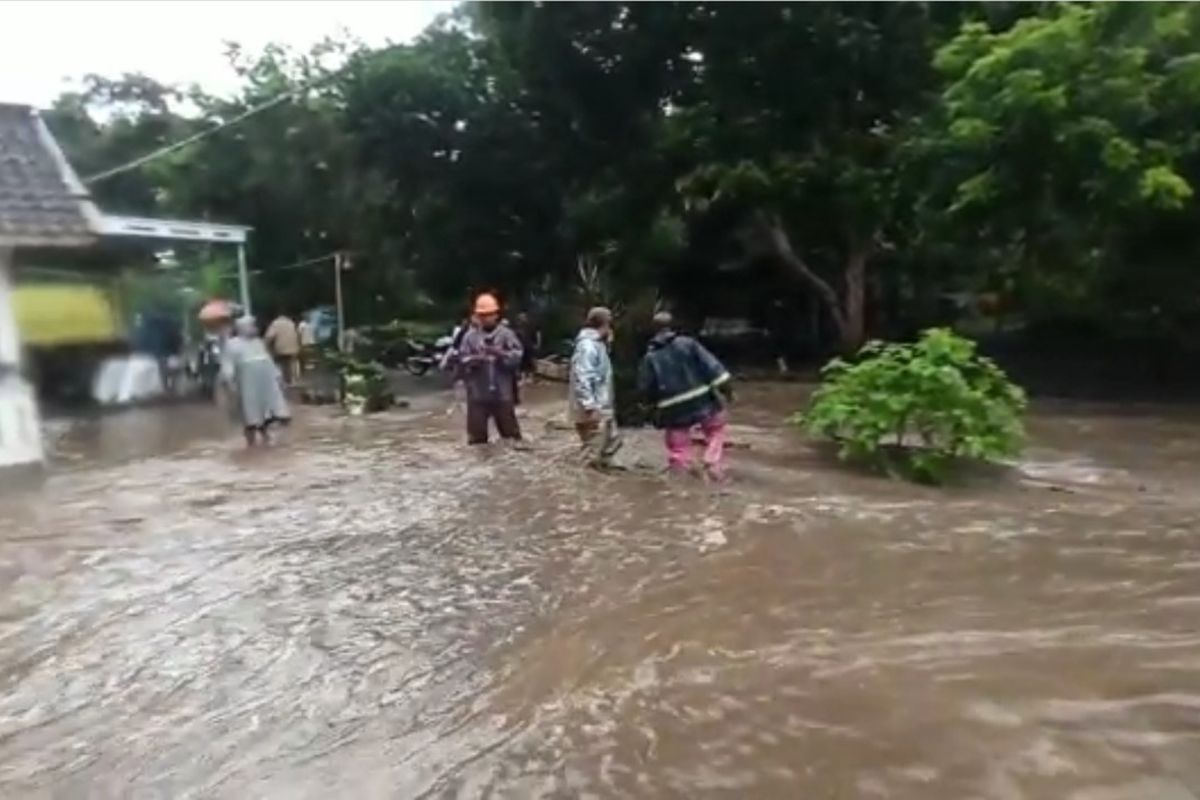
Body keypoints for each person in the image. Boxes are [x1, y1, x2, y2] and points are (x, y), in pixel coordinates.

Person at [638, 311, 734, 481]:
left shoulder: (650, 357)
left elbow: (646, 389)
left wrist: (649, 410)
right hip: (703, 400)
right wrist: (728, 391)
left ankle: (681, 475)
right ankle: (712, 462)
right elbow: (714, 369)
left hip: (673, 408)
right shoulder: (688, 344)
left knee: (678, 446)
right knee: (716, 430)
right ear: (671, 326)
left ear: (653, 330)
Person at [457, 294, 524, 444]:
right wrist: (476, 360)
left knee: (511, 437)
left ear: (496, 315)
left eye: (489, 315)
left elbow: (517, 356)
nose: (485, 319)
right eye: (482, 315)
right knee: (476, 440)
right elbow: (462, 359)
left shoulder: (507, 335)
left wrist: (501, 354)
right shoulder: (470, 337)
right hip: (478, 395)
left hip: (502, 394)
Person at [221, 316, 292, 446]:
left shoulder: (258, 342)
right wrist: (229, 382)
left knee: (267, 417)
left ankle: (265, 443)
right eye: (250, 325)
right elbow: (227, 366)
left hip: (266, 388)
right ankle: (251, 445)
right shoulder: (232, 345)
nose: (254, 328)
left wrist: (279, 377)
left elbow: (269, 362)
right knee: (249, 419)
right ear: (241, 328)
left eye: (254, 325)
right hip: (247, 388)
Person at [570, 306, 622, 469]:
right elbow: (582, 376)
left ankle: (604, 474)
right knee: (592, 451)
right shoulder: (588, 346)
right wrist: (589, 405)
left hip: (601, 405)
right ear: (605, 324)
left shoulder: (598, 344)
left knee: (612, 440)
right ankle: (584, 484)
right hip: (592, 407)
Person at [264, 312, 301, 385]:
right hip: (293, 347)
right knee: (291, 363)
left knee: (282, 364)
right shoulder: (291, 323)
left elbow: (269, 336)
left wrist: (265, 344)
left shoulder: (275, 323)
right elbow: (297, 334)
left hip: (281, 348)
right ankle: (294, 380)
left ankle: (285, 381)